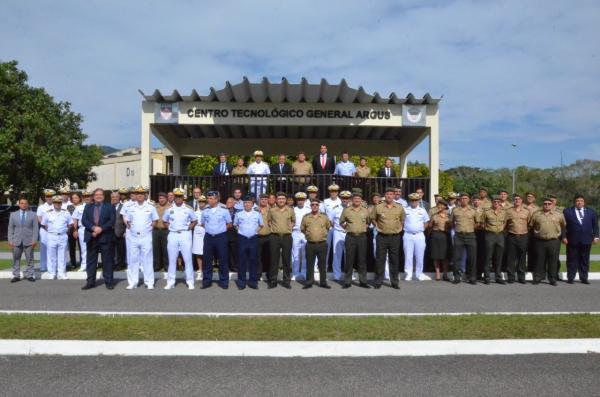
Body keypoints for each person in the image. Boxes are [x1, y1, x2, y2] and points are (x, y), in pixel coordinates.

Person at [123, 186, 159, 290]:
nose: (139, 196)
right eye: (138, 194)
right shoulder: (131, 208)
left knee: (147, 260)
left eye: (141, 194)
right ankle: (133, 282)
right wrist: (132, 229)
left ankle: (149, 282)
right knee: (133, 260)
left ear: (145, 195)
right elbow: (127, 221)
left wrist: (149, 230)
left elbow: (155, 220)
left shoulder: (150, 207)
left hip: (146, 236)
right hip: (134, 236)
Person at [162, 188, 197, 290]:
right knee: (172, 259)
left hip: (185, 234)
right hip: (173, 234)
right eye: (176, 196)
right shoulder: (169, 209)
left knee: (188, 259)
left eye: (180, 196)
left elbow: (194, 220)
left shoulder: (188, 209)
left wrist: (189, 228)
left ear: (183, 198)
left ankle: (190, 281)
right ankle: (170, 282)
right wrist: (169, 227)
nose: (178, 198)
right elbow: (164, 221)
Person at [81, 188, 116, 290]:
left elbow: (112, 221)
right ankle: (90, 282)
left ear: (103, 196)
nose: (98, 196)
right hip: (92, 236)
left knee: (107, 261)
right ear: (93, 196)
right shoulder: (88, 207)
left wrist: (101, 229)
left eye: (100, 194)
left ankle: (109, 282)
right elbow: (84, 220)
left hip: (105, 236)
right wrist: (93, 228)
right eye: (96, 195)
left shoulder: (109, 207)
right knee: (91, 261)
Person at [371, 187, 406, 289]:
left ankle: (394, 282)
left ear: (394, 196)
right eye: (387, 194)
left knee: (394, 260)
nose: (389, 196)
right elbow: (373, 218)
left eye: (391, 194)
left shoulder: (399, 207)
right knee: (380, 259)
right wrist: (377, 226)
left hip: (395, 237)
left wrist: (400, 227)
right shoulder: (378, 207)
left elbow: (403, 218)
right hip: (382, 236)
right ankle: (378, 282)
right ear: (385, 196)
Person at [563, 195, 599, 284]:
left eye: (581, 201)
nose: (579, 202)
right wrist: (563, 237)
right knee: (571, 259)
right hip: (572, 240)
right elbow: (563, 226)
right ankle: (571, 277)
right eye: (577, 201)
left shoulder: (591, 212)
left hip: (586, 240)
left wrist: (596, 236)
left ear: (584, 202)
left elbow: (595, 226)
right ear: (574, 202)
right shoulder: (567, 212)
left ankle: (584, 278)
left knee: (585, 259)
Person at [530, 197, 566, 285]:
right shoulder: (536, 214)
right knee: (539, 260)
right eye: (545, 204)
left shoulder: (559, 215)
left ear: (552, 205)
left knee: (553, 261)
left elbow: (563, 225)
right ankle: (537, 277)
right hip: (540, 241)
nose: (547, 205)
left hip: (553, 241)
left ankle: (552, 278)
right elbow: (531, 225)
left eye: (549, 204)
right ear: (542, 205)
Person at [200, 191, 232, 289]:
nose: (208, 200)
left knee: (223, 259)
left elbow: (229, 224)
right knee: (207, 260)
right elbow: (203, 223)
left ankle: (224, 282)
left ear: (216, 199)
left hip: (221, 237)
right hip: (209, 237)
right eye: (208, 198)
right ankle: (206, 281)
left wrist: (219, 230)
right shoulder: (205, 210)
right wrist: (211, 230)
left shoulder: (224, 210)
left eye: (210, 198)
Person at [340, 192, 371, 288]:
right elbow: (341, 221)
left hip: (362, 237)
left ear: (361, 201)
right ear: (352, 200)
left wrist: (363, 228)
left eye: (358, 199)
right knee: (349, 259)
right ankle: (347, 281)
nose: (357, 200)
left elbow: (368, 222)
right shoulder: (347, 210)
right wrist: (348, 228)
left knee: (362, 260)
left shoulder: (365, 211)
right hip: (350, 237)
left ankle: (363, 281)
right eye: (355, 199)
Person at [233, 195, 264, 289]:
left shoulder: (257, 214)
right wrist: (241, 231)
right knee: (242, 261)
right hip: (242, 238)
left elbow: (261, 225)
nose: (247, 204)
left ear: (252, 204)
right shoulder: (238, 214)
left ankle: (253, 282)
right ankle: (241, 282)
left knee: (253, 261)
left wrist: (255, 232)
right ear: (243, 204)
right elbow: (235, 225)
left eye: (249, 203)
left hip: (253, 238)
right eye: (245, 203)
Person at [450, 192, 480, 285]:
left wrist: (470, 228)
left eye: (465, 198)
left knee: (472, 257)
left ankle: (472, 277)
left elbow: (478, 223)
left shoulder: (473, 210)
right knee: (456, 257)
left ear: (469, 200)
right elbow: (451, 222)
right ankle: (457, 277)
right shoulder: (455, 210)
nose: (464, 200)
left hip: (470, 235)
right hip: (459, 235)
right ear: (459, 200)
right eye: (462, 198)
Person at [41, 195, 73, 280]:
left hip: (63, 236)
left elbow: (70, 224)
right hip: (52, 236)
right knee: (51, 255)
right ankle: (52, 273)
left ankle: (61, 273)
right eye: (56, 202)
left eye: (59, 202)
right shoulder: (48, 213)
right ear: (53, 203)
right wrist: (51, 231)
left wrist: (66, 231)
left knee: (62, 255)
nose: (57, 204)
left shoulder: (66, 213)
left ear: (61, 203)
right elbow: (44, 224)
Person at [301, 199, 332, 289]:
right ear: (310, 206)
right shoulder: (306, 217)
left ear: (319, 206)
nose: (314, 206)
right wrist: (310, 235)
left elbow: (328, 227)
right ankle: (309, 282)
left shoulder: (324, 217)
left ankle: (323, 282)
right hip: (310, 244)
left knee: (322, 264)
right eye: (313, 204)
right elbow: (302, 229)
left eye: (316, 205)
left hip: (322, 244)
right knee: (310, 264)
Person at [267, 192, 295, 289]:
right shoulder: (272, 210)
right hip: (274, 237)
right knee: (274, 259)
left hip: (287, 237)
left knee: (286, 259)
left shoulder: (290, 210)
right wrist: (274, 229)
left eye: (283, 198)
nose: (281, 200)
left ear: (286, 200)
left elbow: (293, 221)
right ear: (276, 200)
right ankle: (273, 280)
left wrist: (288, 228)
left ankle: (286, 281)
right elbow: (269, 221)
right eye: (279, 199)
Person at [8, 198, 38, 282]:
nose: (23, 205)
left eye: (25, 203)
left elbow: (35, 229)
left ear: (27, 204)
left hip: (29, 241)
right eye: (22, 203)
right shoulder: (13, 215)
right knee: (16, 259)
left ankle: (30, 275)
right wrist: (10, 240)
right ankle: (16, 275)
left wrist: (34, 240)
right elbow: (10, 228)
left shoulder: (33, 215)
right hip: (16, 241)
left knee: (30, 259)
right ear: (19, 204)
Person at [481, 196, 508, 284]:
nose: (496, 203)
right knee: (488, 257)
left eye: (498, 201)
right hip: (490, 235)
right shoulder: (487, 212)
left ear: (500, 202)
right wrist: (489, 229)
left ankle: (498, 277)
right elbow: (482, 223)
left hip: (500, 235)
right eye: (494, 201)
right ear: (492, 202)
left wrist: (500, 229)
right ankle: (487, 277)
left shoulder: (504, 212)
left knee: (498, 257)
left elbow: (505, 223)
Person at [403, 193, 430, 281]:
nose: (414, 202)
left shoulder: (422, 210)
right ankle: (408, 274)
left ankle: (419, 274)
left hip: (419, 235)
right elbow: (401, 221)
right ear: (409, 201)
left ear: (418, 201)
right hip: (408, 235)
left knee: (419, 255)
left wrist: (422, 229)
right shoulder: (405, 210)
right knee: (408, 255)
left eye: (415, 200)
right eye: (412, 200)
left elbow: (426, 221)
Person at [505, 193, 531, 284]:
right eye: (515, 199)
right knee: (511, 258)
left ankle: (521, 277)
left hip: (523, 236)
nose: (517, 201)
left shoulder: (526, 211)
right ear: (513, 201)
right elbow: (505, 224)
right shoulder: (508, 211)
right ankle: (511, 277)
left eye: (519, 199)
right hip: (511, 236)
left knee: (522, 258)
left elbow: (529, 224)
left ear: (521, 201)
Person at [329, 190, 351, 281]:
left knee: (349, 254)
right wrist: (338, 229)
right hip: (338, 232)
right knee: (337, 254)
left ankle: (348, 275)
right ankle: (337, 275)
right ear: (340, 199)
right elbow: (330, 221)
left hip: (349, 233)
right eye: (343, 198)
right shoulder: (335, 208)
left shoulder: (352, 208)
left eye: (347, 198)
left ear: (349, 199)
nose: (345, 200)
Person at [428, 200, 451, 281]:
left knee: (446, 256)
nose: (440, 207)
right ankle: (437, 273)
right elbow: (430, 226)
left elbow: (452, 226)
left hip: (445, 236)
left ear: (445, 206)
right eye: (439, 205)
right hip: (436, 235)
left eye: (442, 205)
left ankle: (445, 274)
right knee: (436, 255)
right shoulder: (434, 216)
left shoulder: (449, 216)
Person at [291, 192, 311, 281]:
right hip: (295, 232)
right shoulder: (293, 210)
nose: (300, 201)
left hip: (305, 233)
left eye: (302, 200)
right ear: (296, 200)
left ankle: (304, 272)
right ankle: (295, 273)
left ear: (305, 200)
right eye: (299, 200)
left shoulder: (308, 209)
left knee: (305, 253)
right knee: (295, 254)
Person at [71, 191, 91, 272]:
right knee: (83, 248)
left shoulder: (95, 207)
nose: (87, 197)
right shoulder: (79, 208)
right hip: (82, 229)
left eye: (89, 196)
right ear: (83, 197)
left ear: (91, 197)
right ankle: (84, 264)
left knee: (93, 247)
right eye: (85, 196)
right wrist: (75, 230)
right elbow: (75, 219)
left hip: (92, 230)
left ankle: (92, 264)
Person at [36, 189, 55, 273]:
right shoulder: (41, 207)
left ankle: (53, 266)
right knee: (44, 248)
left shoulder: (56, 205)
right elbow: (39, 219)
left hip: (54, 230)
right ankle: (43, 266)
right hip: (44, 230)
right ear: (45, 197)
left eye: (50, 196)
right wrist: (46, 226)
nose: (49, 198)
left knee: (53, 248)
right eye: (47, 196)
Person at [153, 192, 170, 271]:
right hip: (156, 231)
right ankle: (156, 266)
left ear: (166, 199)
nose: (161, 200)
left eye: (163, 198)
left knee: (166, 249)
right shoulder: (154, 207)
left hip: (166, 230)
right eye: (160, 198)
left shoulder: (170, 207)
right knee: (156, 249)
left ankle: (166, 266)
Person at [257, 194, 271, 281]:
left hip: (268, 236)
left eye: (266, 199)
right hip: (257, 236)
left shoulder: (272, 210)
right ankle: (258, 274)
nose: (264, 201)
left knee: (269, 256)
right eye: (262, 199)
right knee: (257, 257)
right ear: (259, 200)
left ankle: (269, 274)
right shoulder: (255, 210)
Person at [111, 190, 127, 271]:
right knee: (111, 250)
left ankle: (121, 264)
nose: (114, 198)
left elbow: (126, 220)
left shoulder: (124, 206)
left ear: (119, 198)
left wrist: (126, 231)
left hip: (120, 232)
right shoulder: (108, 206)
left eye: (116, 197)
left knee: (121, 249)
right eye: (113, 197)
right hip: (110, 233)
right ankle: (113, 264)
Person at [192, 195, 207, 272]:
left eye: (203, 202)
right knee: (198, 251)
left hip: (206, 232)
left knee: (206, 250)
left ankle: (206, 267)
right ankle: (200, 268)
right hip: (197, 232)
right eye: (200, 202)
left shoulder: (208, 211)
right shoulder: (194, 212)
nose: (201, 203)